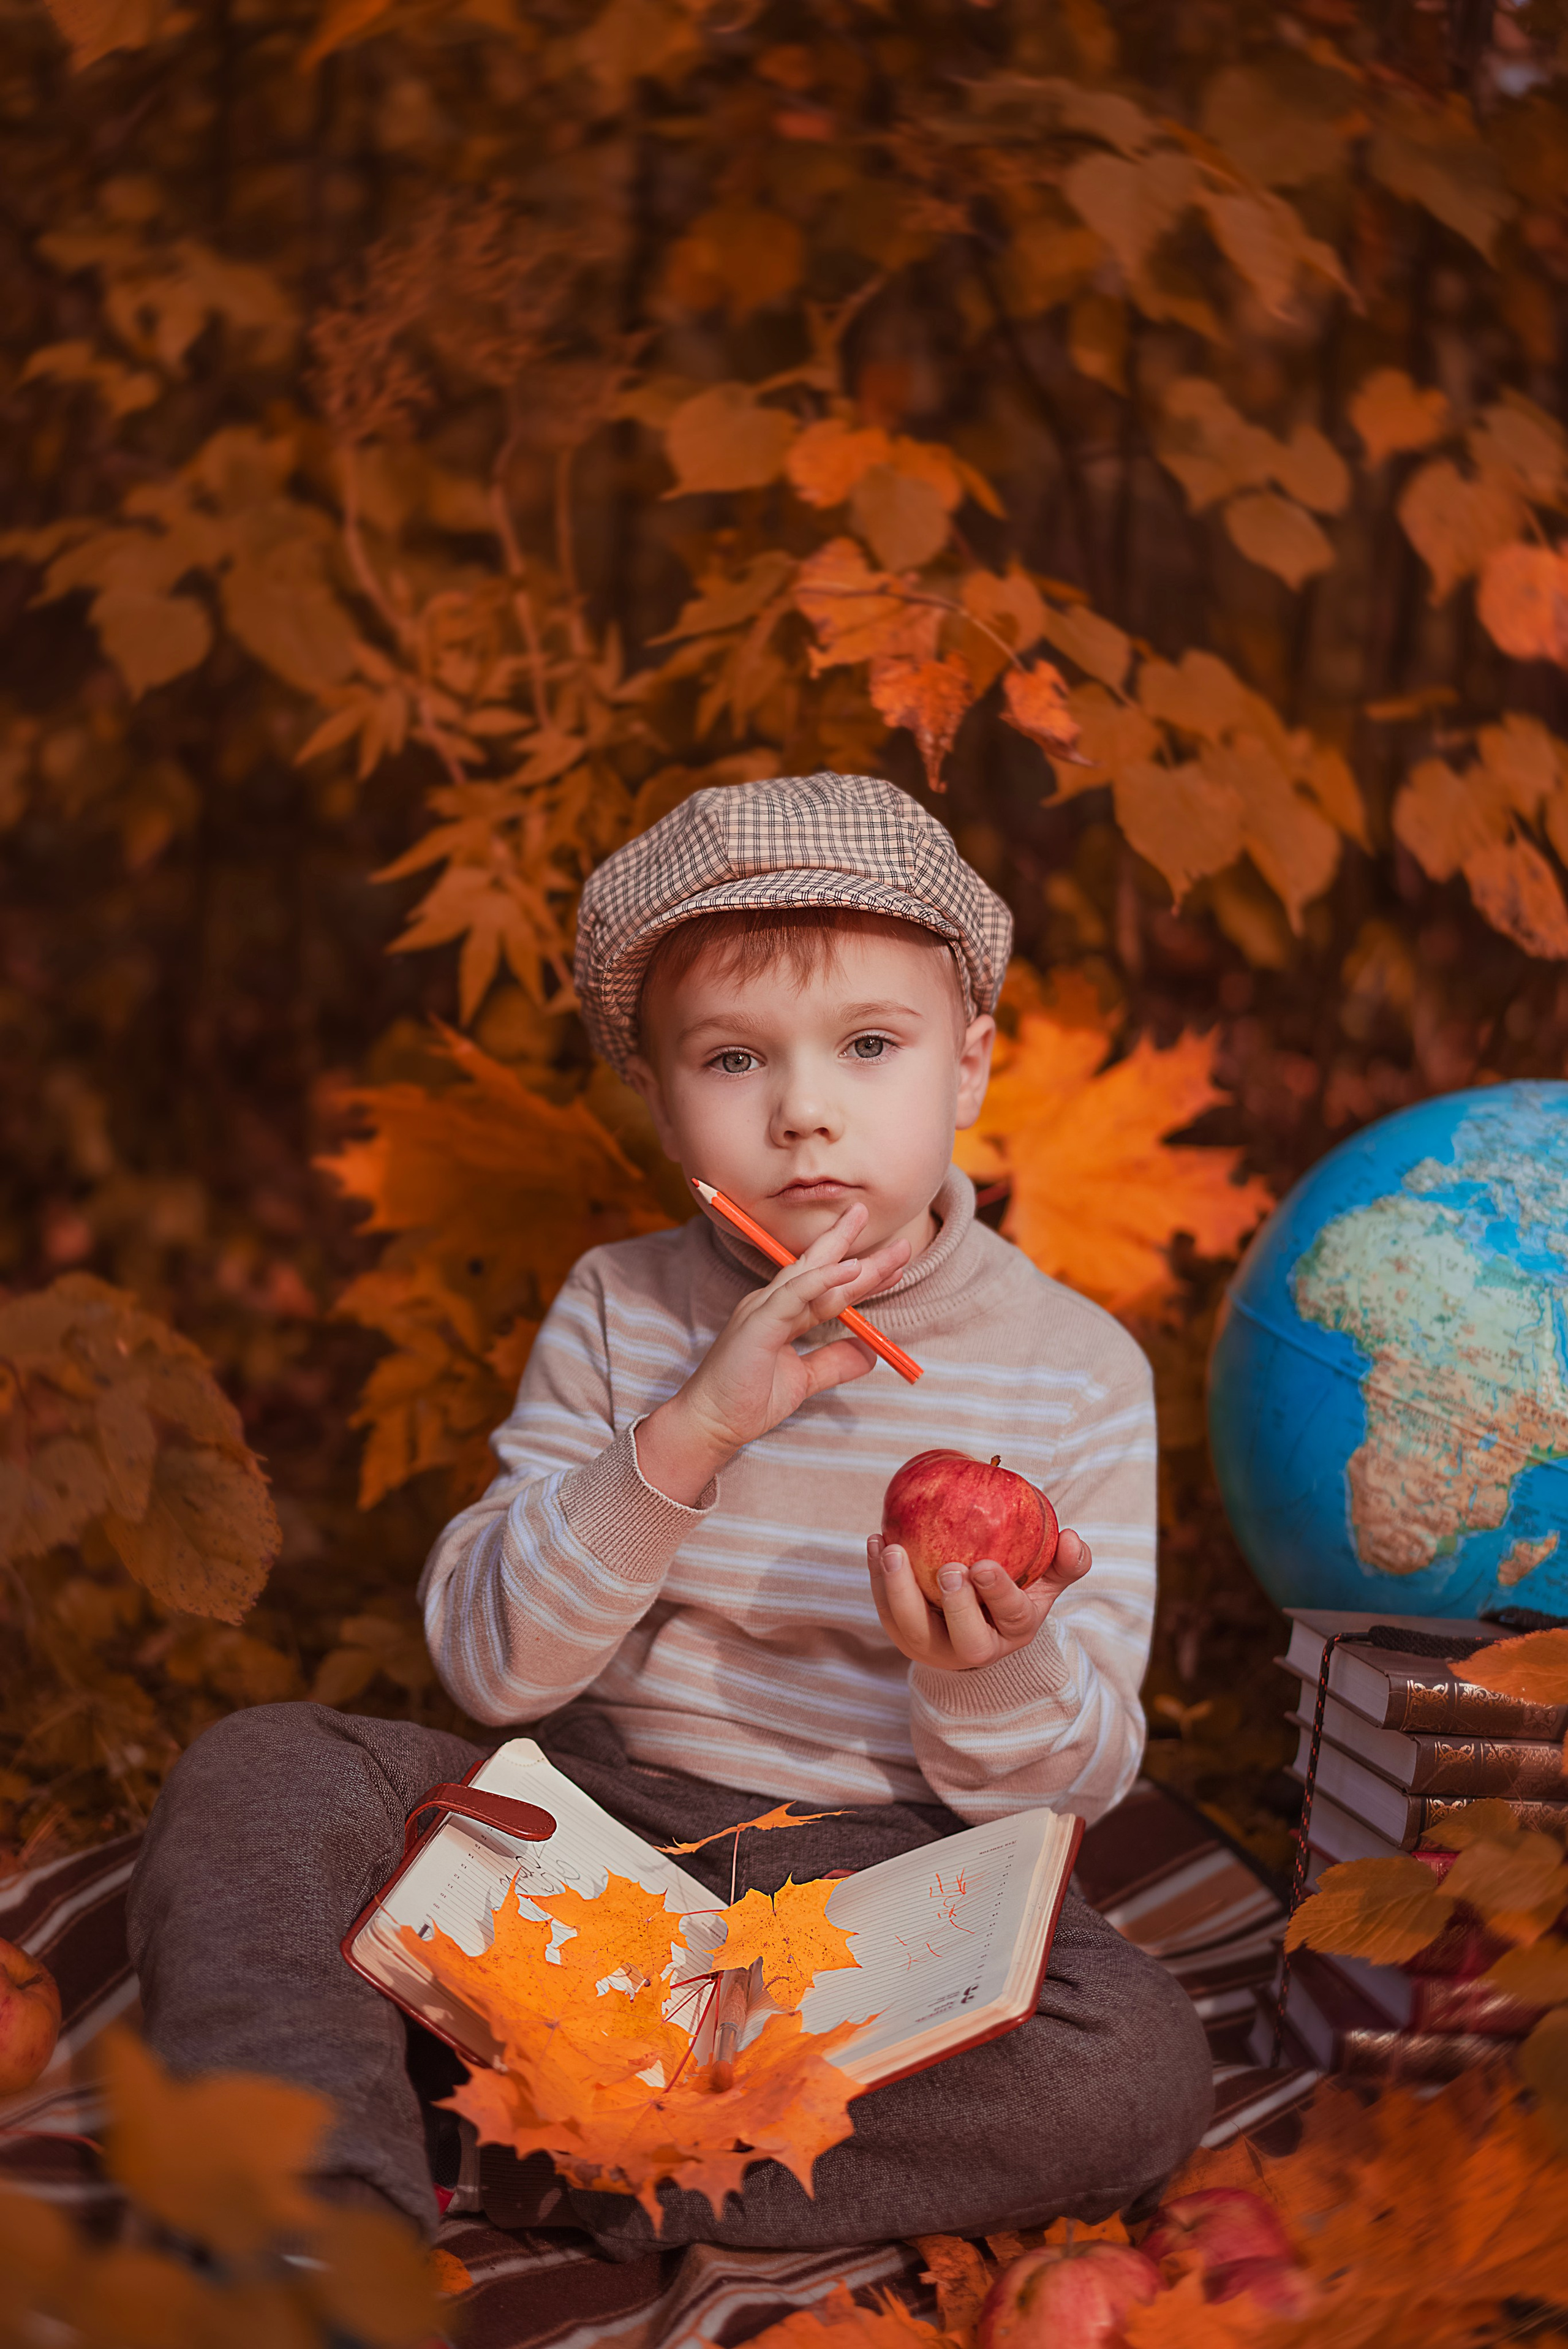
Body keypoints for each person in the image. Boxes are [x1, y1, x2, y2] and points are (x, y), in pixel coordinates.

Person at [127, 771, 1212, 2253]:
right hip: (592, 1841)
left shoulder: (1073, 1370)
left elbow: (1067, 1793)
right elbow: (498, 1672)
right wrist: (687, 1435)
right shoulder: (619, 1306)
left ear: (968, 1067)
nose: (804, 1109)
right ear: (655, 1092)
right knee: (266, 1768)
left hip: (874, 1902)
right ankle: (317, 2210)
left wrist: (984, 1665)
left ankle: (553, 2154)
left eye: (870, 1046)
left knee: (1130, 2069)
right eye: (730, 1058)